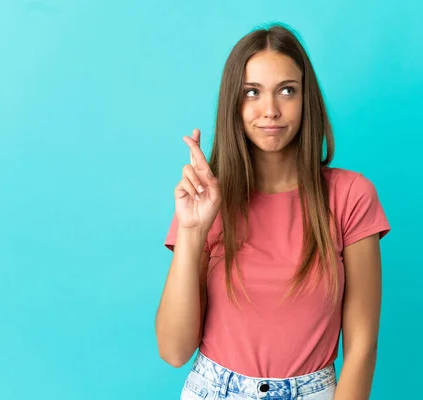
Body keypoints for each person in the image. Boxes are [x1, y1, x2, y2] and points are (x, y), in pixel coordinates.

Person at [155, 23, 391, 400]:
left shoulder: (351, 196)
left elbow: (362, 349)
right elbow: (173, 350)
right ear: (235, 103)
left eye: (287, 91)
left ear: (306, 98)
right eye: (252, 93)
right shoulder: (206, 200)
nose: (270, 111)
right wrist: (192, 231)